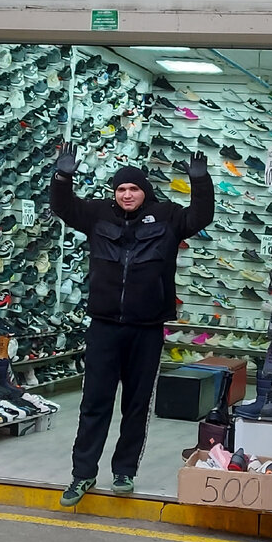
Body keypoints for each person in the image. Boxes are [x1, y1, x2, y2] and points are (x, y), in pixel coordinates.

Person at [50, 142, 213, 507]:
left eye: (134, 189)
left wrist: (200, 183)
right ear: (115, 193)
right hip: (104, 326)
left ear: (145, 192)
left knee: (137, 405)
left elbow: (200, 217)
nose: (127, 194)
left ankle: (124, 470)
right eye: (121, 189)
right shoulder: (96, 215)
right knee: (95, 402)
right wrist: (62, 177)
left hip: (147, 327)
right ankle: (82, 473)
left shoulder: (168, 216)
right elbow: (62, 206)